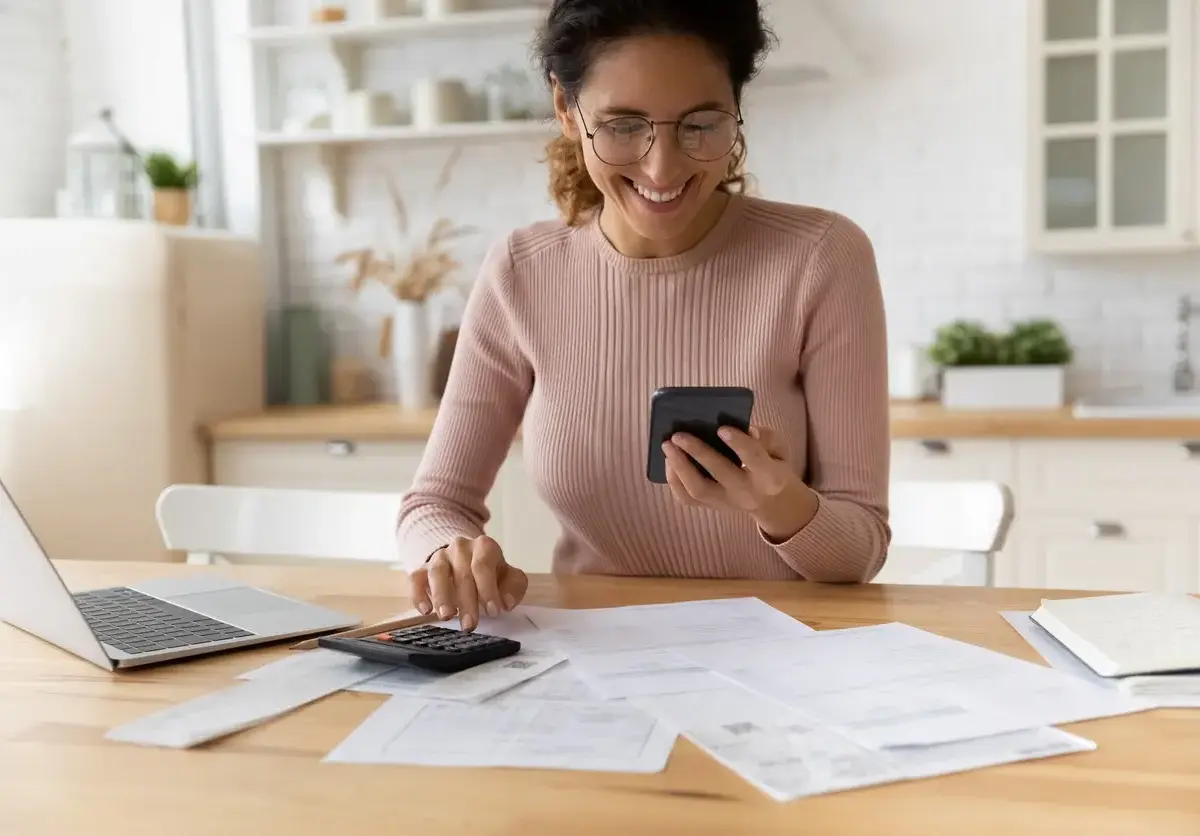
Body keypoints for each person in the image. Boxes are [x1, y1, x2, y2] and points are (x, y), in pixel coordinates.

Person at [397, 0, 891, 629]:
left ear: (737, 108)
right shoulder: (522, 271)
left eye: (700, 124)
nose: (662, 167)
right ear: (565, 110)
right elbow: (434, 503)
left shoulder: (821, 257)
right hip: (595, 653)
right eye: (623, 124)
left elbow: (859, 549)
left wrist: (781, 503)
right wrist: (448, 552)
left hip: (783, 653)